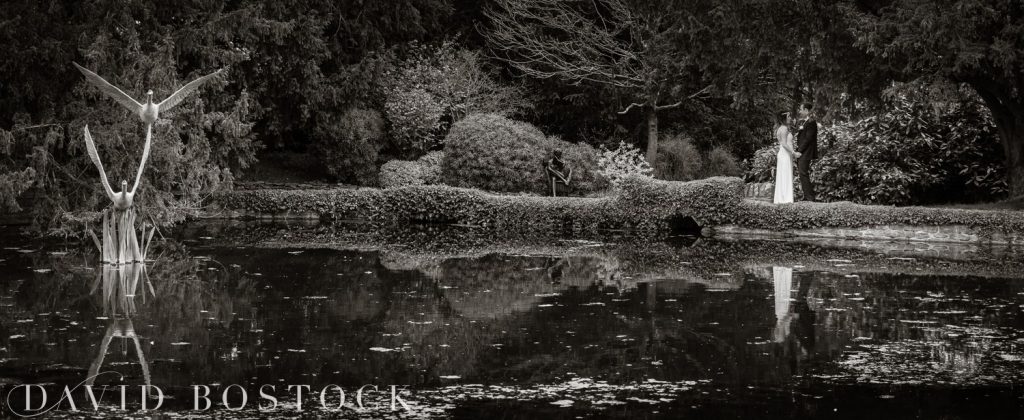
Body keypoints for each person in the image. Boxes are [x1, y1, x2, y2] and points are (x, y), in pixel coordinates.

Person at [773, 112, 800, 204]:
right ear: (784, 118)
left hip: (785, 154)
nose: (790, 118)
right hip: (785, 154)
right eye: (788, 116)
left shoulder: (782, 128)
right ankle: (785, 199)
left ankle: (782, 199)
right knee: (785, 175)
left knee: (784, 175)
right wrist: (794, 153)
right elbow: (784, 144)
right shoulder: (784, 129)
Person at [795, 103, 819, 201]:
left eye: (801, 109)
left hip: (806, 152)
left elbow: (808, 139)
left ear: (806, 110)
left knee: (803, 173)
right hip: (804, 151)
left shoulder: (811, 122)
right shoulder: (806, 122)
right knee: (803, 173)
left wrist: (800, 151)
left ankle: (810, 198)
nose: (800, 111)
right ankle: (807, 196)